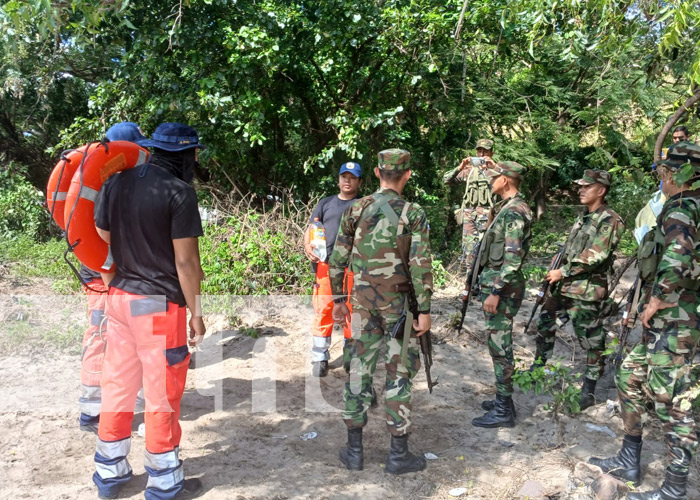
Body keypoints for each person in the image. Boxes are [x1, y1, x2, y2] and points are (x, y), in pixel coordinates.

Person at [92, 122, 206, 500]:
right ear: (187, 155)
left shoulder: (117, 182)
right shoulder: (179, 192)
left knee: (118, 388)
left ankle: (110, 474)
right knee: (161, 394)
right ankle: (164, 481)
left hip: (120, 299)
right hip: (157, 307)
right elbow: (187, 263)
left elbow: (103, 237)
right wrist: (196, 313)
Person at [589, 141, 700, 500]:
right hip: (671, 316)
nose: (662, 179)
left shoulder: (683, 207)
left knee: (673, 401)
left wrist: (653, 302)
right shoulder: (686, 205)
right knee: (629, 376)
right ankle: (629, 458)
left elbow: (678, 259)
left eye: (665, 173)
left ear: (677, 173)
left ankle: (674, 488)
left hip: (676, 319)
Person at [329, 148, 432, 475]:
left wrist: (338, 299)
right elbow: (421, 266)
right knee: (399, 373)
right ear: (408, 174)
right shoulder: (413, 213)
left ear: (376, 172)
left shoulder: (356, 208)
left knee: (357, 370)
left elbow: (337, 259)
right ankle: (397, 455)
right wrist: (424, 309)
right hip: (399, 307)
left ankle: (355, 451)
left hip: (360, 305)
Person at [532, 169, 624, 410]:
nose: (581, 190)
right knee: (545, 321)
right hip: (565, 287)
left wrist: (563, 271)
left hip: (586, 291)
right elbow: (572, 250)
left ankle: (589, 390)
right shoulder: (583, 218)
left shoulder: (610, 220)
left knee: (592, 341)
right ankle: (539, 365)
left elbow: (597, 254)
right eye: (580, 186)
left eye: (586, 186)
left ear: (601, 190)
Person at [78, 122, 147, 434]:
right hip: (103, 276)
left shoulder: (100, 181)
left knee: (113, 337)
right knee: (102, 335)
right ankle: (93, 411)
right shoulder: (108, 185)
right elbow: (103, 234)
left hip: (109, 274)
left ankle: (114, 404)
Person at [470, 162, 532, 428]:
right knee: (497, 344)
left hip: (502, 287)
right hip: (497, 283)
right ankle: (502, 400)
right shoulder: (507, 208)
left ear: (506, 180)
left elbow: (512, 258)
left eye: (494, 177)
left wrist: (495, 291)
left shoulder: (515, 211)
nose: (490, 181)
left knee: (500, 346)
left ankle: (504, 409)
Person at [302, 162, 362, 377]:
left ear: (359, 182)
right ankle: (319, 357)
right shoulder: (325, 203)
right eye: (344, 176)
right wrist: (307, 245)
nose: (347, 181)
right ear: (338, 180)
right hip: (325, 268)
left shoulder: (363, 205)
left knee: (352, 314)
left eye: (352, 177)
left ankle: (350, 355)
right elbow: (311, 229)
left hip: (353, 269)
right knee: (324, 310)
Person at [443, 138, 497, 274]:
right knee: (469, 250)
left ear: (492, 153)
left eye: (485, 151)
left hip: (487, 215)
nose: (481, 154)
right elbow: (446, 180)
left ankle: (485, 280)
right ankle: (470, 281)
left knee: (486, 248)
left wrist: (494, 166)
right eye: (479, 150)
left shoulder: (497, 170)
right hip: (469, 214)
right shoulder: (470, 170)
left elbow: (511, 179)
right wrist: (460, 167)